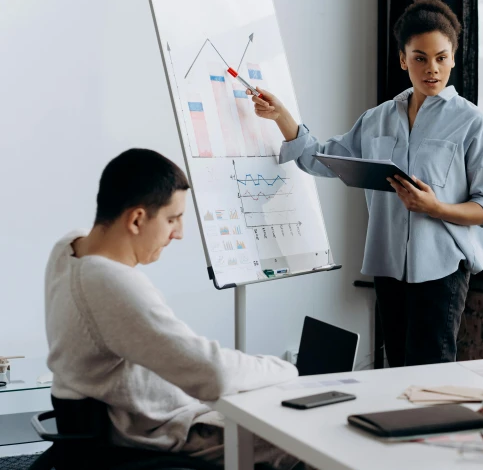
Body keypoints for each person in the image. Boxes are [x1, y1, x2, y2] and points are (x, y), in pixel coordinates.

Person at [247, 0, 483, 367]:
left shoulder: (472, 122)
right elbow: (322, 159)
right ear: (403, 59)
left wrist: (436, 208)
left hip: (443, 269)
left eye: (441, 57)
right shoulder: (377, 119)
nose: (432, 69)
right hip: (387, 264)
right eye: (419, 57)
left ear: (453, 56)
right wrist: (282, 117)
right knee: (394, 369)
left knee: (430, 369)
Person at [44, 149, 305, 469]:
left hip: (117, 421)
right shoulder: (109, 282)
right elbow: (213, 375)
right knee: (305, 444)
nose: (178, 234)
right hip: (162, 432)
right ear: (137, 219)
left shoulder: (68, 249)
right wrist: (288, 369)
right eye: (172, 219)